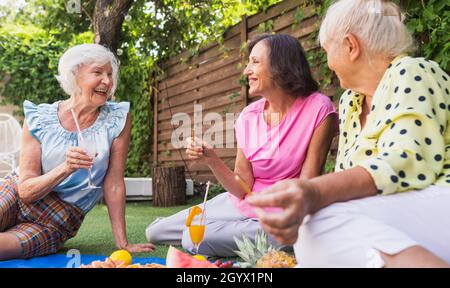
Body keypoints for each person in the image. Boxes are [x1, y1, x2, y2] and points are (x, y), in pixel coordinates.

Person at [248, 0, 450, 268]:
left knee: (319, 221)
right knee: (313, 226)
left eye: (327, 50)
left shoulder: (411, 71)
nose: (328, 63)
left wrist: (314, 192)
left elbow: (405, 161)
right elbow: (351, 183)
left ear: (350, 46)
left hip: (439, 197)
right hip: (406, 215)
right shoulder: (350, 103)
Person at [145, 34, 338, 257]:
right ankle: (231, 232)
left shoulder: (319, 109)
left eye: (254, 62)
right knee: (156, 232)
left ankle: (279, 239)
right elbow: (242, 185)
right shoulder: (248, 116)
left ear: (280, 66)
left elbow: (308, 184)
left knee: (195, 237)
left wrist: (275, 217)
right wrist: (211, 159)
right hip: (242, 203)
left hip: (284, 214)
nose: (246, 70)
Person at [0, 44, 154, 260]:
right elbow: (25, 191)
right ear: (75, 75)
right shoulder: (39, 117)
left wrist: (123, 243)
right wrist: (66, 168)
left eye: (110, 74)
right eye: (98, 72)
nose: (107, 81)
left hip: (58, 218)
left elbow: (115, 182)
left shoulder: (117, 118)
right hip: (16, 193)